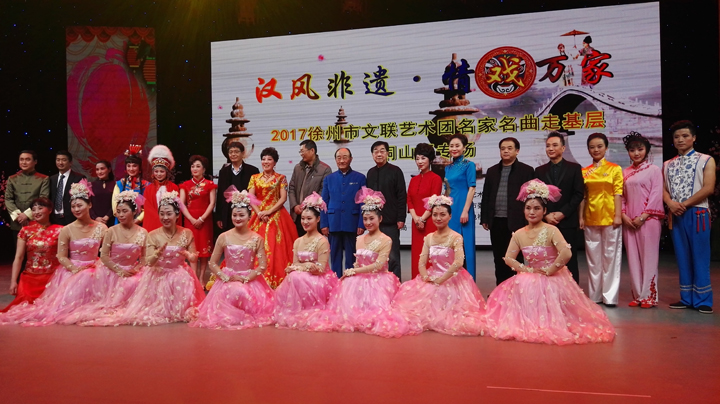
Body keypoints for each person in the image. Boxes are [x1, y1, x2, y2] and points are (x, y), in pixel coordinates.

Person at [485, 179, 615, 345]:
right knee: (521, 284)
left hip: (552, 276)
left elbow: (566, 252)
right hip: (530, 275)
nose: (532, 212)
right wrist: (526, 269)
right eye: (528, 208)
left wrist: (551, 269)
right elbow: (509, 258)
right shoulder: (518, 233)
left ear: (545, 210)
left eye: (537, 208)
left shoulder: (551, 230)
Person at [307, 187, 419, 338]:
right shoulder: (359, 239)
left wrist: (355, 271)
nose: (368, 222)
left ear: (380, 219)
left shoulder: (386, 240)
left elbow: (379, 265)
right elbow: (358, 263)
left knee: (380, 314)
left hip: (379, 280)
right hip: (359, 279)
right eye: (365, 219)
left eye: (371, 218)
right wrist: (352, 271)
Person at [0, 180, 107, 326]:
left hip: (87, 268)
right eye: (73, 206)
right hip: (48, 273)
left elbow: (107, 253)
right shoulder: (62, 229)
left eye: (79, 205)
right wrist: (75, 269)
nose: (76, 209)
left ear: (89, 205)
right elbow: (58, 256)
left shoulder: (97, 228)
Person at [93, 191, 205, 326]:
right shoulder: (152, 235)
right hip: (158, 273)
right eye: (162, 214)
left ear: (177, 215)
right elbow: (149, 262)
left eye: (169, 213)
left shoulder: (187, 233)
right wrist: (157, 254)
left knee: (183, 289)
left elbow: (193, 258)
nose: (165, 217)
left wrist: (191, 256)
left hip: (179, 274)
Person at [392, 195, 486, 336]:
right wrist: (425, 277)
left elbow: (459, 262)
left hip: (453, 279)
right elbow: (422, 262)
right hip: (432, 276)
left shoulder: (456, 237)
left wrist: (442, 279)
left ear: (450, 216)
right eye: (435, 214)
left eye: (442, 214)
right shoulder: (429, 238)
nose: (438, 218)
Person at [190, 188, 275, 330]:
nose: (237, 218)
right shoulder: (224, 237)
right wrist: (225, 277)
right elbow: (213, 263)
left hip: (249, 278)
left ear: (249, 216)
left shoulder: (257, 238)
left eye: (241, 215)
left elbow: (262, 266)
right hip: (227, 278)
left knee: (243, 292)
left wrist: (246, 278)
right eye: (234, 215)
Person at [664, 120, 716, 314]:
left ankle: (703, 299)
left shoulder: (706, 160)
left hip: (697, 212)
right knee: (682, 256)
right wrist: (670, 204)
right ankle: (686, 297)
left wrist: (684, 204)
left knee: (700, 256)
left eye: (685, 136)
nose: (680, 140)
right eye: (677, 137)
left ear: (694, 138)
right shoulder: (667, 164)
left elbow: (708, 188)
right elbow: (663, 189)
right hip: (676, 214)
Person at [72, 191, 148, 324]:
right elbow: (104, 256)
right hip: (110, 271)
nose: (121, 215)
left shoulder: (143, 232)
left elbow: (144, 258)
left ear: (134, 212)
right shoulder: (111, 230)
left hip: (132, 270)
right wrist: (119, 271)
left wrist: (136, 269)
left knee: (137, 283)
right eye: (118, 211)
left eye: (125, 211)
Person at [275, 193, 339, 330]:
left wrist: (304, 267)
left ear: (318, 219)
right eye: (303, 218)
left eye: (309, 218)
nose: (305, 222)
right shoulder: (298, 241)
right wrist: (298, 267)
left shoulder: (322, 241)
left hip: (318, 280)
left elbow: (320, 268)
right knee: (293, 276)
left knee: (296, 276)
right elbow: (295, 264)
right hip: (301, 277)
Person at [481, 137, 535, 285]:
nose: (505, 151)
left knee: (516, 258)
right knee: (499, 258)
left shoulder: (527, 171)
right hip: (496, 221)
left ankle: (516, 289)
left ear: (517, 151)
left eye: (509, 148)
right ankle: (501, 290)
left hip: (517, 222)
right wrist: (485, 218)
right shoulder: (492, 171)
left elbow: (531, 198)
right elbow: (486, 196)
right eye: (502, 148)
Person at [534, 132, 584, 283]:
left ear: (563, 148)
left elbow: (578, 194)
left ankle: (572, 291)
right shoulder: (539, 171)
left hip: (567, 221)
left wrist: (563, 213)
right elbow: (537, 197)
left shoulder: (574, 168)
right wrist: (546, 214)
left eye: (554, 145)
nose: (550, 148)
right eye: (548, 146)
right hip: (546, 223)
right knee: (548, 259)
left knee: (569, 259)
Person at [580, 133, 623, 307]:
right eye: (592, 147)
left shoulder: (615, 169)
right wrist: (581, 217)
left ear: (606, 148)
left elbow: (618, 193)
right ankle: (595, 295)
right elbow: (583, 197)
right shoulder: (584, 171)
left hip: (611, 218)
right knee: (593, 259)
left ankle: (610, 296)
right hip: (590, 217)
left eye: (599, 146)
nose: (596, 150)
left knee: (611, 257)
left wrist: (618, 215)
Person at [621, 132, 664, 308]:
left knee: (649, 258)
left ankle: (649, 296)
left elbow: (656, 194)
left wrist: (644, 216)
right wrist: (623, 215)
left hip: (649, 220)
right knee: (633, 258)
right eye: (632, 150)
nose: (636, 153)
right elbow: (622, 197)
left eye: (640, 149)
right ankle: (638, 295)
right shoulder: (625, 172)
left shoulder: (654, 170)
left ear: (646, 150)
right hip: (629, 221)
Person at [247, 147, 298, 288]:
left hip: (276, 215)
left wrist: (269, 211)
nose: (266, 162)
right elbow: (251, 197)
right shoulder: (254, 178)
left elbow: (283, 198)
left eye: (269, 159)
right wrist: (259, 212)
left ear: (275, 162)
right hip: (258, 215)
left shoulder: (281, 178)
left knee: (277, 247)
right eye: (263, 159)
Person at [1, 198, 62, 313]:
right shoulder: (25, 231)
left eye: (40, 208)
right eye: (33, 210)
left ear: (50, 210)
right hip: (29, 280)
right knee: (23, 311)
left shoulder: (60, 230)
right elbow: (19, 257)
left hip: (53, 279)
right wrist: (13, 281)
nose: (36, 212)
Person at [320, 147, 366, 277]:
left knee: (351, 255)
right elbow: (324, 202)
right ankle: (336, 280)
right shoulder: (329, 179)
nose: (342, 160)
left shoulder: (360, 178)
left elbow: (363, 202)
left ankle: (349, 280)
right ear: (335, 160)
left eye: (345, 157)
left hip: (352, 221)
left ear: (351, 159)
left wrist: (361, 223)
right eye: (339, 157)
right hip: (333, 222)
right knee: (334, 255)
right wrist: (324, 223)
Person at [366, 141, 407, 280]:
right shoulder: (370, 173)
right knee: (375, 254)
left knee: (392, 255)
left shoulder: (395, 171)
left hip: (391, 221)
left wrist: (401, 218)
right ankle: (378, 283)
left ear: (388, 153)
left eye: (382, 151)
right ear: (372, 155)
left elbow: (401, 195)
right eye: (376, 151)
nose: (379, 154)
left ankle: (395, 283)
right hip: (374, 222)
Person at [179, 155, 217, 286]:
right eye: (192, 166)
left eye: (198, 166)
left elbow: (212, 203)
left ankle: (201, 278)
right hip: (190, 220)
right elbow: (182, 204)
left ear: (204, 169)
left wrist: (201, 218)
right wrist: (191, 218)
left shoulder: (210, 184)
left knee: (204, 249)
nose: (195, 169)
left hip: (205, 220)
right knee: (192, 249)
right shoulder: (185, 185)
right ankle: (194, 276)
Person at [407, 143, 442, 279]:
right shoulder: (413, 180)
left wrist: (422, 219)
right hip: (416, 222)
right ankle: (416, 283)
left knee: (429, 253)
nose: (420, 161)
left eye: (423, 158)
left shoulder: (436, 178)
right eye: (417, 158)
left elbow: (434, 201)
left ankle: (430, 282)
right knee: (417, 253)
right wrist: (416, 218)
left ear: (430, 159)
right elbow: (409, 200)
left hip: (429, 222)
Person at [444, 135, 477, 279]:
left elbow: (472, 188)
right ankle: (452, 281)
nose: (454, 148)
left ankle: (468, 282)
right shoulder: (448, 168)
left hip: (463, 209)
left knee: (466, 247)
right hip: (451, 209)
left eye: (457, 145)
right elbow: (447, 189)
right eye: (451, 146)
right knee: (451, 246)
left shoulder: (469, 165)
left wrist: (465, 211)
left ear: (464, 148)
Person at [288, 139, 332, 236]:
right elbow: (291, 188)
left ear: (312, 150)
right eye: (300, 152)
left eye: (303, 151)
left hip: (314, 216)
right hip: (298, 216)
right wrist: (295, 206)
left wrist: (307, 205)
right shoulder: (298, 168)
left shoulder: (325, 169)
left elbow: (323, 192)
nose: (301, 154)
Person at [216, 141, 259, 231]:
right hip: (228, 211)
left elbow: (257, 194)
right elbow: (220, 194)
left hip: (247, 210)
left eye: (236, 152)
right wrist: (219, 217)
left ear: (243, 153)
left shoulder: (252, 170)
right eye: (231, 152)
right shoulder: (224, 171)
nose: (233, 154)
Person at [5, 150, 49, 235]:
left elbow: (43, 199)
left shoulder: (43, 179)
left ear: (35, 162)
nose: (24, 162)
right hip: (17, 222)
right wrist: (18, 216)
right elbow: (8, 199)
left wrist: (27, 215)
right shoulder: (12, 179)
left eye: (27, 159)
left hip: (36, 221)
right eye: (21, 159)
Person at [143, 145, 179, 232]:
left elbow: (177, 208)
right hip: (153, 224)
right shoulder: (148, 188)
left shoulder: (174, 187)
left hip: (170, 223)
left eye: (162, 171)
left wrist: (167, 218)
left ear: (167, 172)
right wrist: (160, 219)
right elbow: (148, 209)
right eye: (156, 171)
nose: (159, 174)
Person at [112, 146, 150, 224]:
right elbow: (114, 204)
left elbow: (148, 207)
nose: (131, 169)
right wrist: (120, 216)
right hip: (121, 221)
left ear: (139, 169)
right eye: (129, 166)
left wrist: (138, 219)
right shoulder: (120, 184)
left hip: (140, 223)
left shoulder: (147, 185)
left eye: (134, 166)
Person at [50, 150, 86, 225]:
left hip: (72, 218)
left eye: (64, 160)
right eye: (58, 160)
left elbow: (84, 199)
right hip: (54, 219)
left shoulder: (79, 178)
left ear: (70, 162)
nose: (60, 163)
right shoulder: (51, 179)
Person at [90, 160, 115, 225]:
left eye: (102, 169)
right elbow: (88, 203)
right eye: (97, 169)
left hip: (111, 219)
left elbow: (116, 202)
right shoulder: (91, 185)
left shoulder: (116, 185)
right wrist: (95, 217)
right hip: (95, 221)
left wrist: (108, 216)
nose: (99, 172)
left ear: (109, 169)